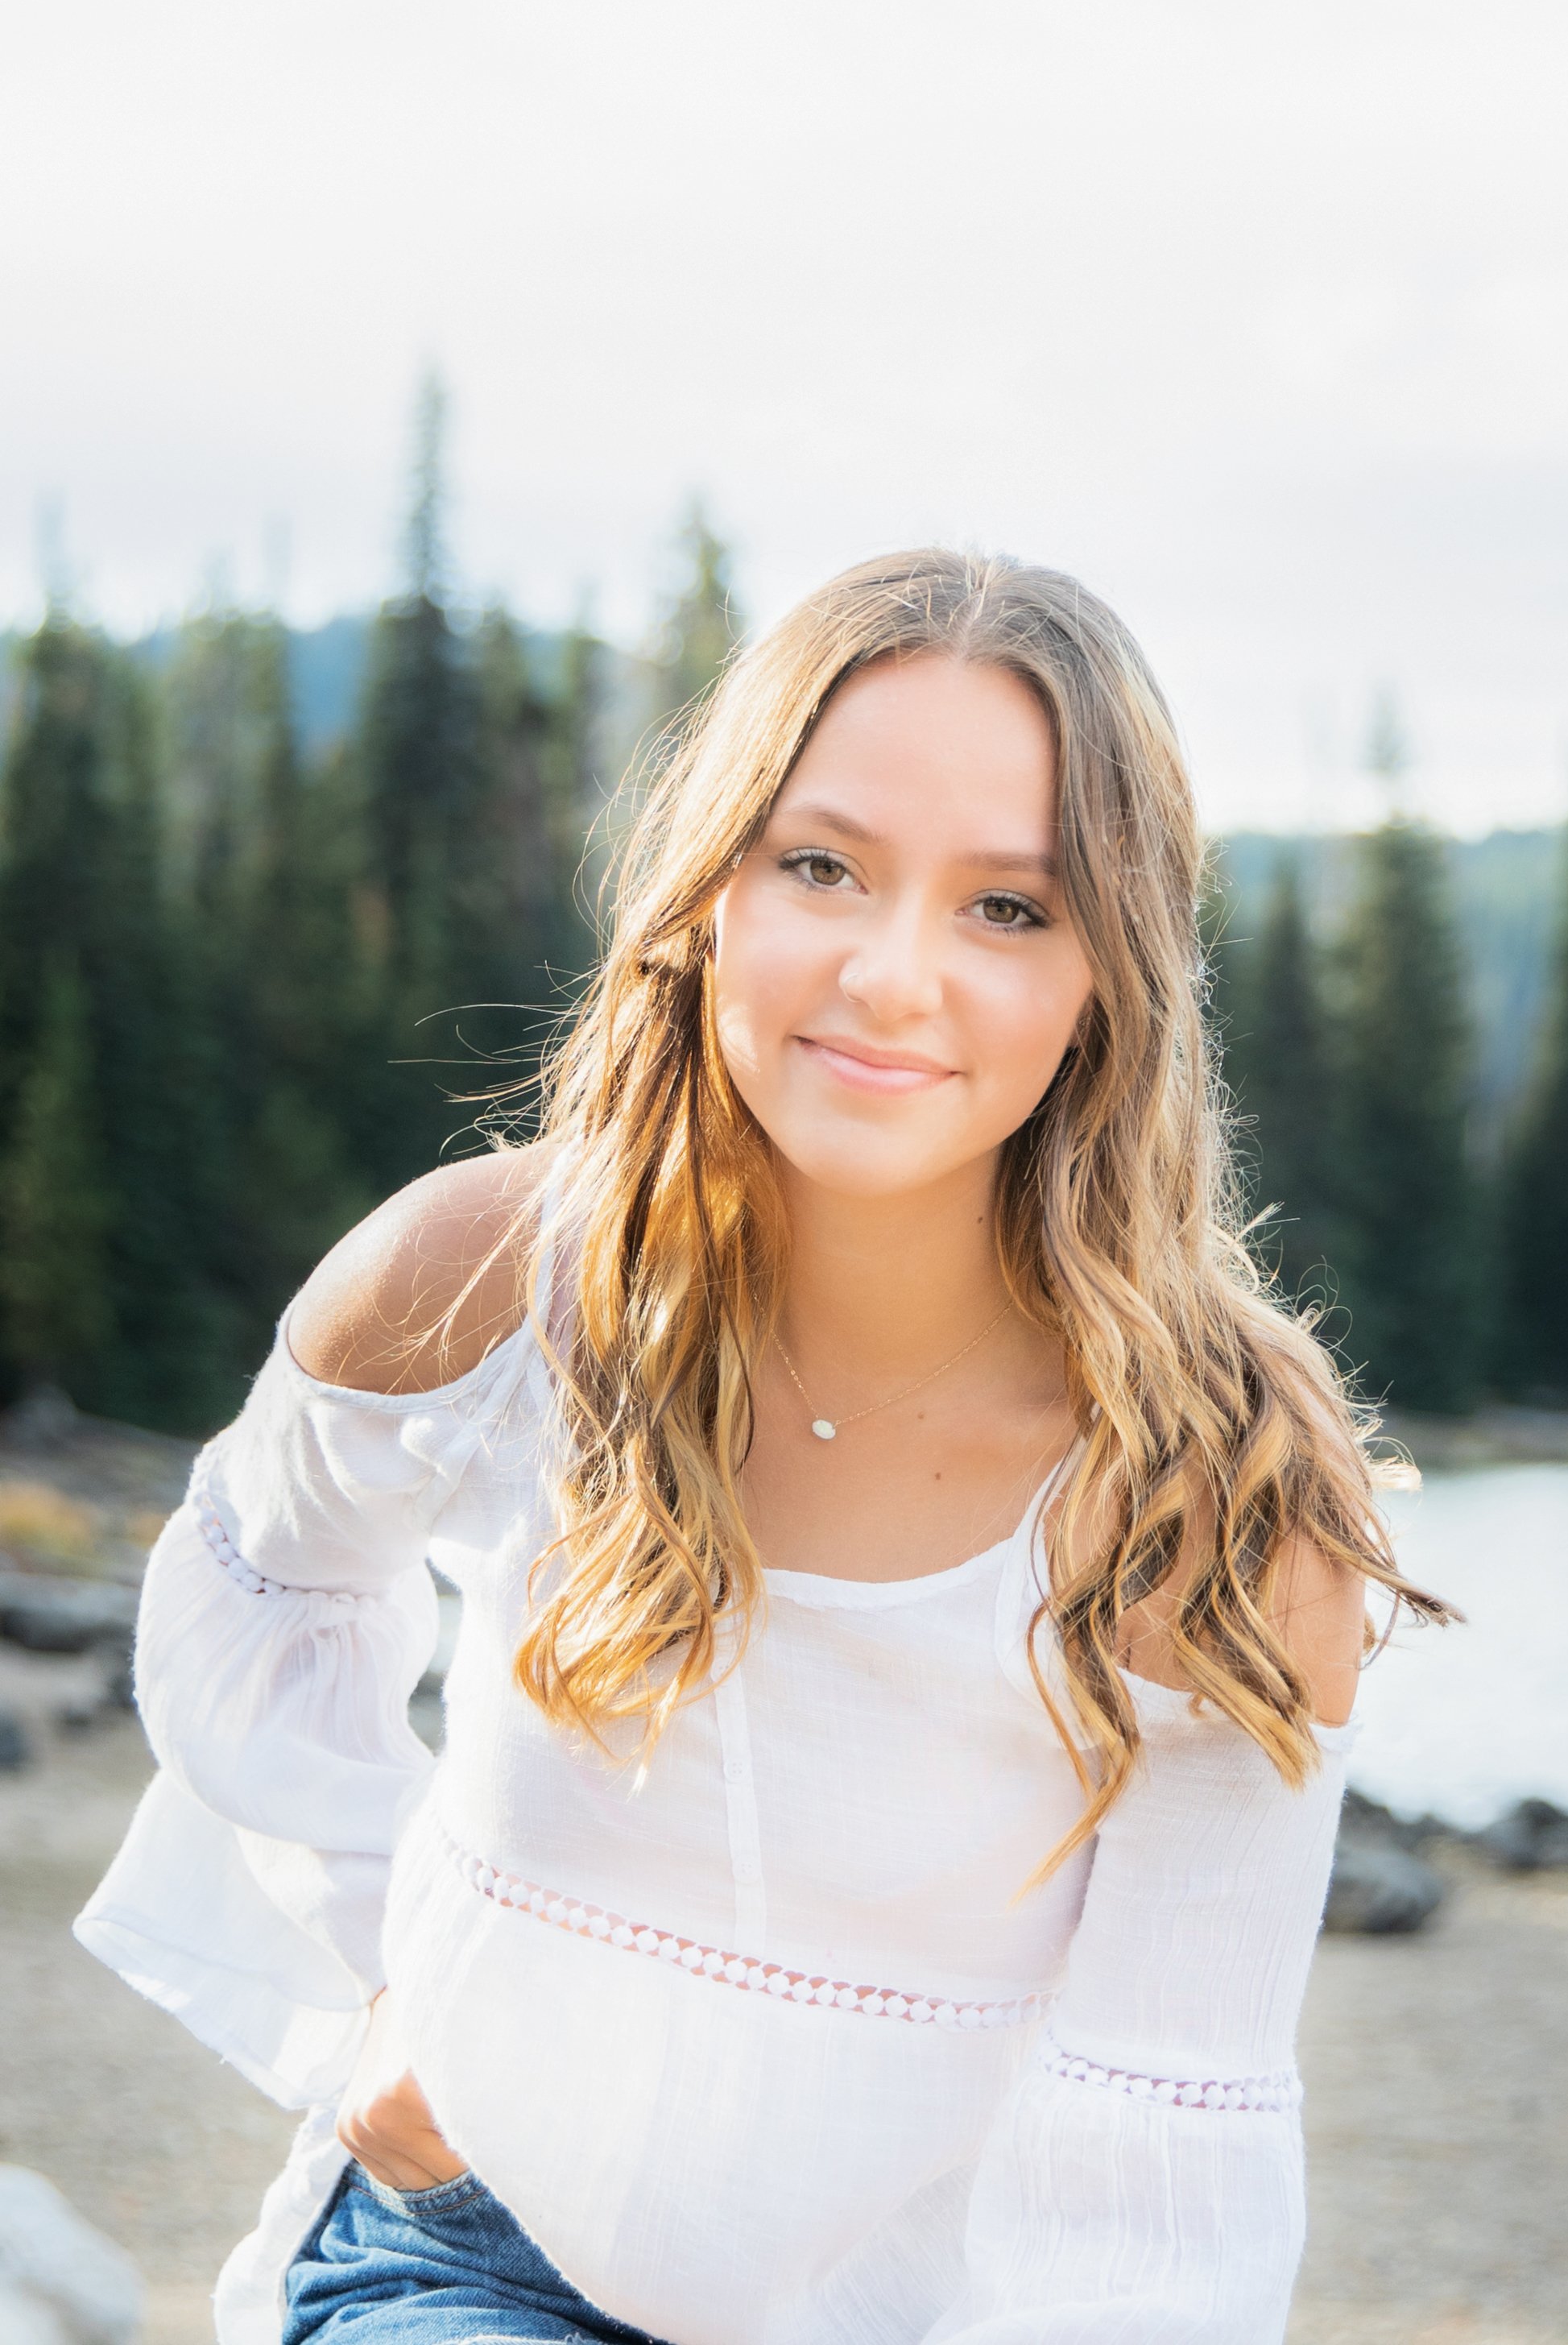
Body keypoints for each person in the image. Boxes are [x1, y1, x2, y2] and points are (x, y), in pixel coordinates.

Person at [78, 549, 1444, 2345]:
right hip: (468, 2257)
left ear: (1115, 975)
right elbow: (254, 1596)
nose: (892, 976)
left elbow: (1161, 2141)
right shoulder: (483, 1283)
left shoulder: (1218, 1489)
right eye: (822, 867)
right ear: (710, 887)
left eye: (1008, 909)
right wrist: (397, 1992)